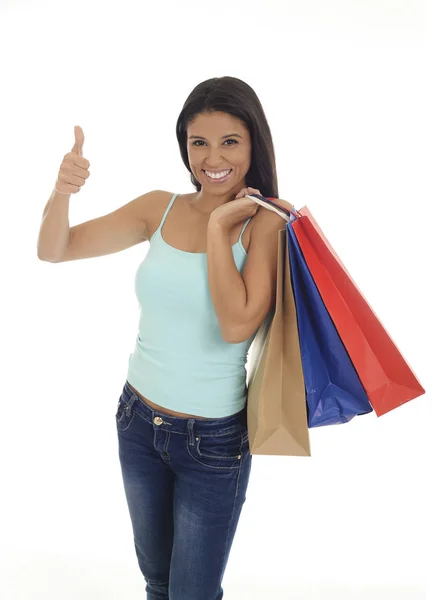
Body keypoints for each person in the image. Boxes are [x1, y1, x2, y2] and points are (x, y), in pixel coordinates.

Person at [37, 76, 289, 600]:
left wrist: (221, 228)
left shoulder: (264, 226)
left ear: (253, 145)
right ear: (184, 147)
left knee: (191, 594)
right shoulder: (160, 207)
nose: (212, 157)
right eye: (199, 142)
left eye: (230, 142)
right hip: (138, 422)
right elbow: (55, 249)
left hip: (213, 442)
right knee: (157, 583)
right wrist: (62, 191)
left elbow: (237, 325)